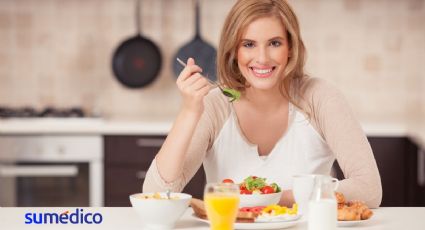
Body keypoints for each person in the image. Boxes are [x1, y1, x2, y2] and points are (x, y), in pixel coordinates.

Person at [143, 0, 382, 208]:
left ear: (290, 48)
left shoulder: (320, 97)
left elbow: (369, 188)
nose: (262, 58)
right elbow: (155, 195)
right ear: (234, 51)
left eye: (274, 43)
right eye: (248, 44)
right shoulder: (215, 104)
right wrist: (189, 111)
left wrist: (271, 199)